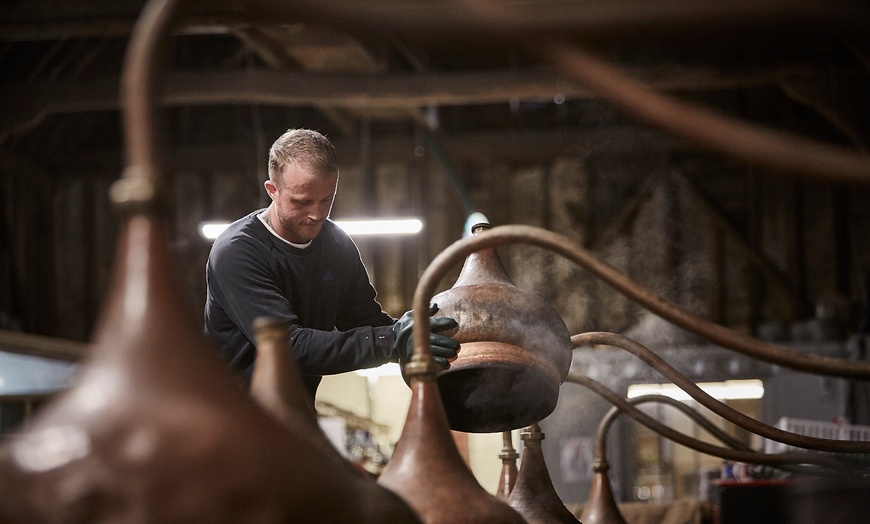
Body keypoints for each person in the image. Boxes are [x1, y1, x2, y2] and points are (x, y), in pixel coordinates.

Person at [204, 128, 459, 398]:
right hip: (233, 418)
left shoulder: (336, 245)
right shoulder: (238, 252)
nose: (317, 214)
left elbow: (368, 323)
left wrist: (418, 337)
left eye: (327, 199)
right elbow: (287, 347)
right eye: (303, 202)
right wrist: (392, 341)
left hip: (296, 415)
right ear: (272, 190)